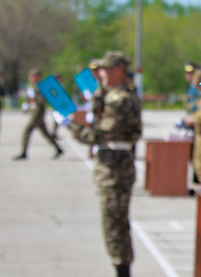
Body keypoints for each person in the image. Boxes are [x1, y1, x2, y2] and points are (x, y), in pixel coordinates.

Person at [61, 51, 142, 277]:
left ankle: (122, 271)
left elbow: (100, 134)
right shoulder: (113, 94)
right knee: (115, 224)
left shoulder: (120, 99)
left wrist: (70, 124)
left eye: (104, 70)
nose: (100, 74)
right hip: (113, 166)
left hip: (115, 168)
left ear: (116, 71)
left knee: (114, 226)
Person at [13, 68, 63, 160]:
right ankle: (58, 149)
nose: (31, 78)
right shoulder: (33, 87)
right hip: (34, 111)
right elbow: (30, 100)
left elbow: (41, 100)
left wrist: (36, 97)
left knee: (27, 131)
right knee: (46, 133)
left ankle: (24, 152)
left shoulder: (41, 87)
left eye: (33, 76)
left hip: (38, 112)